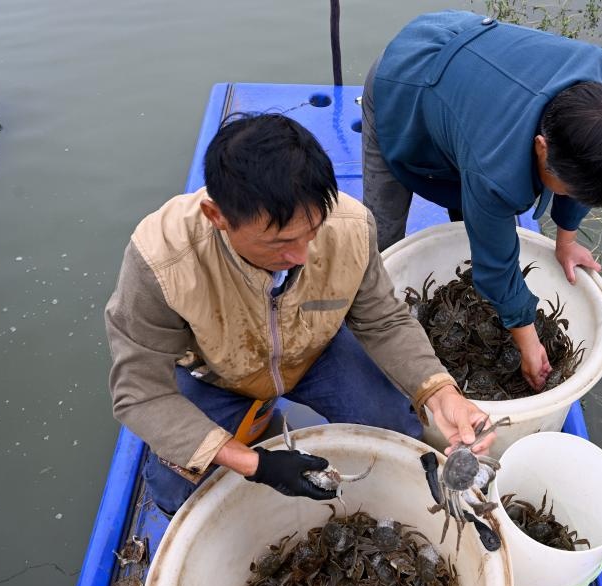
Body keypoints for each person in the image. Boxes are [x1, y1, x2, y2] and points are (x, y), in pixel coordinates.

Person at [105, 113, 494, 515]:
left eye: (312, 232)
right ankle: (252, 424)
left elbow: (384, 321)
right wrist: (255, 465)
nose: (301, 256)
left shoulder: (351, 227)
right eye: (280, 243)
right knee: (177, 495)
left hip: (315, 350)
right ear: (216, 216)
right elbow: (141, 393)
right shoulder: (161, 260)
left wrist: (441, 393)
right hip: (217, 375)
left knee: (397, 426)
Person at [363, 10, 602, 391]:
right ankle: (376, 333)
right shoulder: (494, 169)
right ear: (542, 148)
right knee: (384, 237)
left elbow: (583, 178)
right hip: (406, 80)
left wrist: (567, 241)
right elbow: (495, 266)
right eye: (566, 188)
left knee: (485, 216)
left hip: (474, 84)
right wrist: (528, 342)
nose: (573, 197)